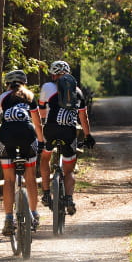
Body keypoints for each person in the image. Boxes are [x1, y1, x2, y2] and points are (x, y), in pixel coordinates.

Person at [0, 69, 46, 235]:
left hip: (6, 136)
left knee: (9, 180)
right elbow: (37, 123)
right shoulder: (30, 96)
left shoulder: (2, 98)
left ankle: (9, 219)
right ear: (24, 82)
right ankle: (34, 214)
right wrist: (40, 142)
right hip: (27, 135)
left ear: (7, 84)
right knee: (30, 177)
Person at [38, 60, 96, 215]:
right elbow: (83, 117)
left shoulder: (47, 87)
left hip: (50, 130)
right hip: (69, 132)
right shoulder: (77, 91)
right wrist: (88, 135)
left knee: (45, 158)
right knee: (69, 171)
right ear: (68, 74)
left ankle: (45, 193)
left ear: (52, 74)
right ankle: (69, 198)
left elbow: (42, 112)